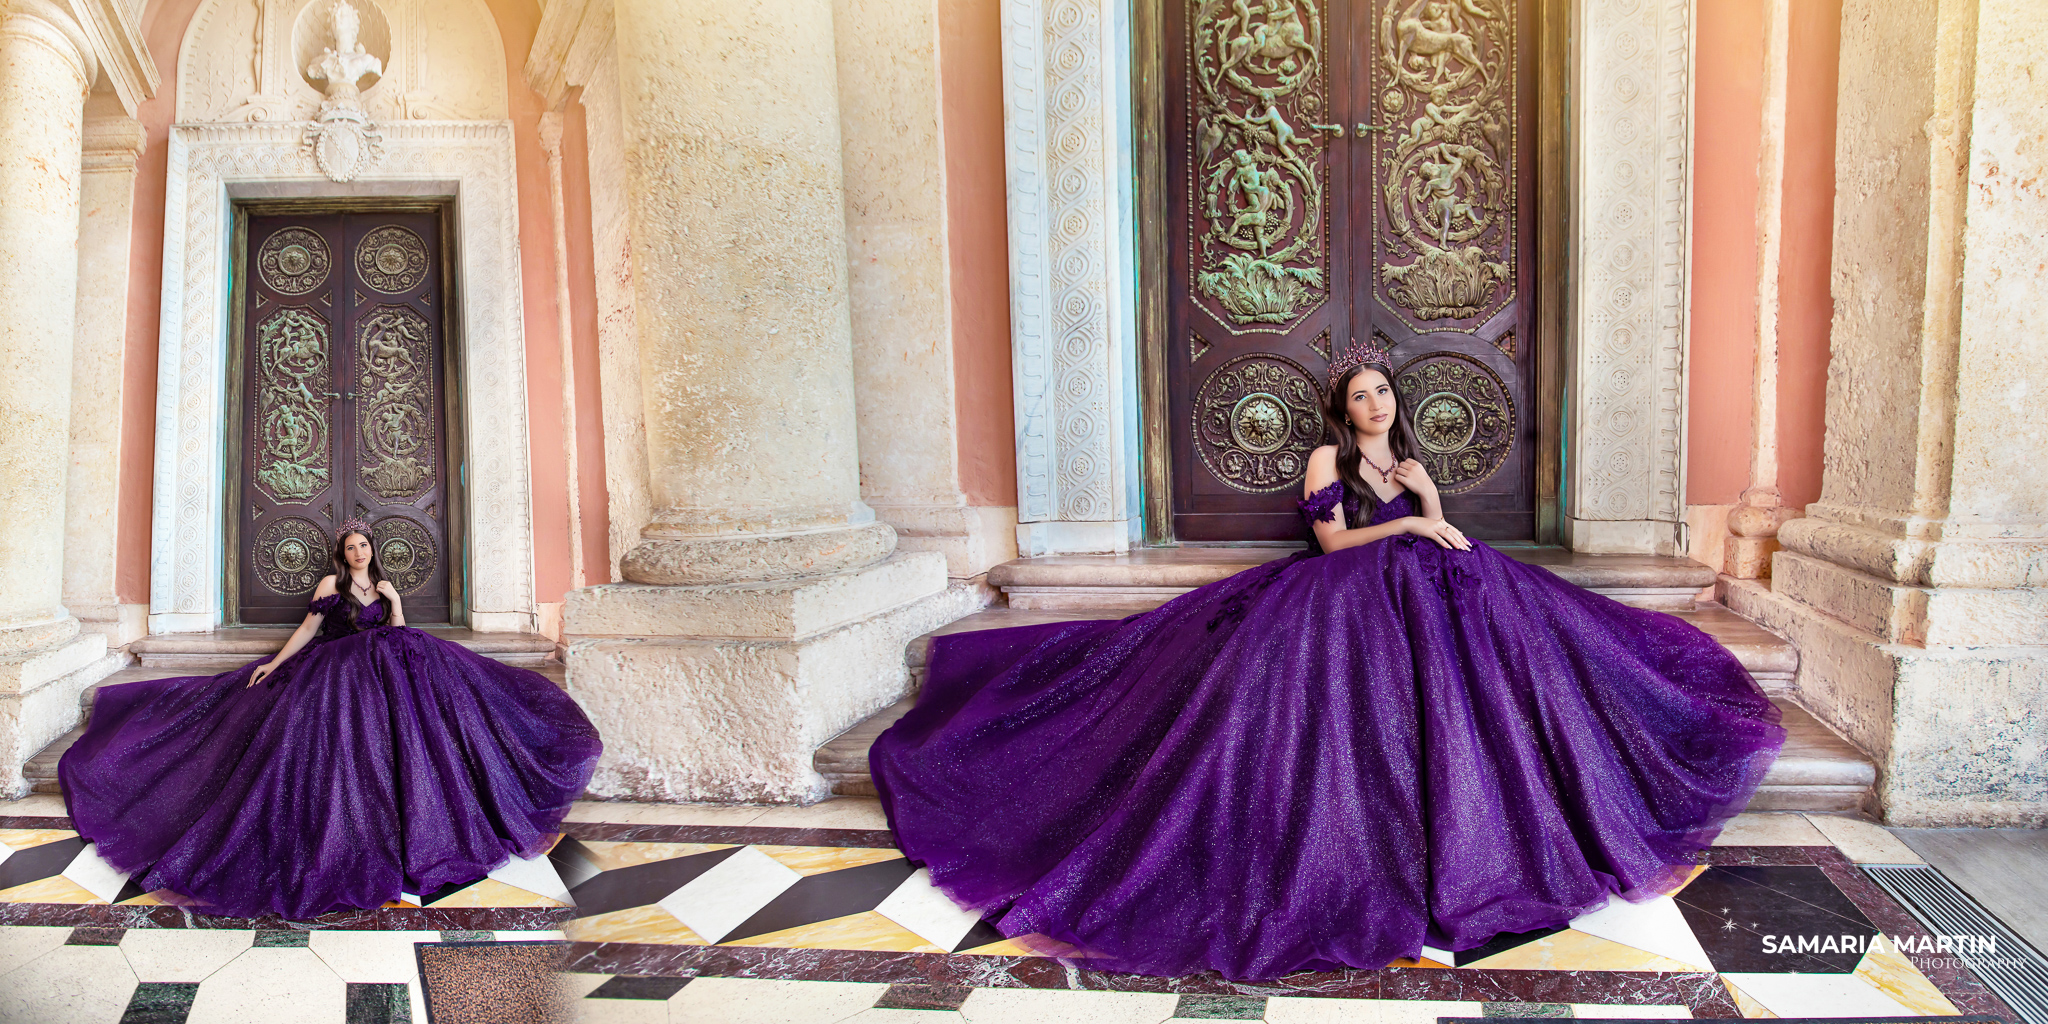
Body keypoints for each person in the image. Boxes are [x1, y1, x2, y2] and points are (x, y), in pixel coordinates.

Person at [868, 339, 1787, 982]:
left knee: (1504, 606)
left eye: (1383, 392)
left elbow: (1441, 535)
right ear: (1342, 410)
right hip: (1343, 599)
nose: (1375, 404)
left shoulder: (1415, 467)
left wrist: (1427, 506)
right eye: (1361, 395)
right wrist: (1420, 523)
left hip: (1423, 598)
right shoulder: (1324, 461)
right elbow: (1337, 552)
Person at [59, 520, 602, 919]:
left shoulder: (383, 586)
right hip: (338, 670)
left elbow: (399, 630)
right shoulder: (330, 586)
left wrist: (393, 600)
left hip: (389, 663)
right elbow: (308, 633)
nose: (359, 552)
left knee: (431, 708)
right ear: (342, 554)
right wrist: (274, 662)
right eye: (351, 547)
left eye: (364, 545)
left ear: (373, 551)